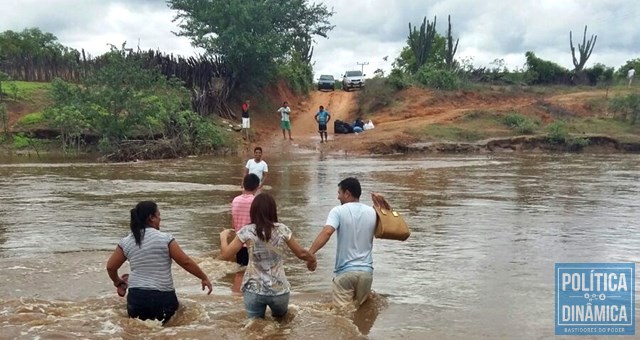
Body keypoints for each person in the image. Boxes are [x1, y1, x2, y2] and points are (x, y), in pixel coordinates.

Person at [106, 201, 212, 324]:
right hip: (163, 297)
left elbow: (110, 267)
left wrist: (117, 282)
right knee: (170, 329)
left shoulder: (126, 241)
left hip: (136, 298)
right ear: (151, 217)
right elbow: (185, 261)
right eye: (158, 215)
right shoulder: (165, 238)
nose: (160, 219)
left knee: (138, 331)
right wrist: (203, 277)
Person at [219, 193, 317, 319]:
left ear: (253, 210)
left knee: (254, 328)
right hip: (279, 289)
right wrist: (312, 259)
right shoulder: (282, 229)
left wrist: (223, 237)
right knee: (281, 326)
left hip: (254, 290)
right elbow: (301, 253)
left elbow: (226, 255)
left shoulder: (246, 231)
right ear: (273, 210)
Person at [307, 177, 377, 310]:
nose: (338, 197)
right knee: (360, 312)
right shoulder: (372, 212)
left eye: (339, 193)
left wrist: (310, 253)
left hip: (345, 273)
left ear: (347, 193)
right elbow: (392, 228)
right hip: (367, 273)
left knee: (341, 317)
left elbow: (327, 232)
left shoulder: (338, 211)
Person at [231, 173, 261, 266]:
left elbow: (233, 222)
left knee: (240, 271)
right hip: (253, 243)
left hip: (238, 243)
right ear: (257, 187)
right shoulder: (257, 201)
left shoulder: (235, 200)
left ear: (243, 185)